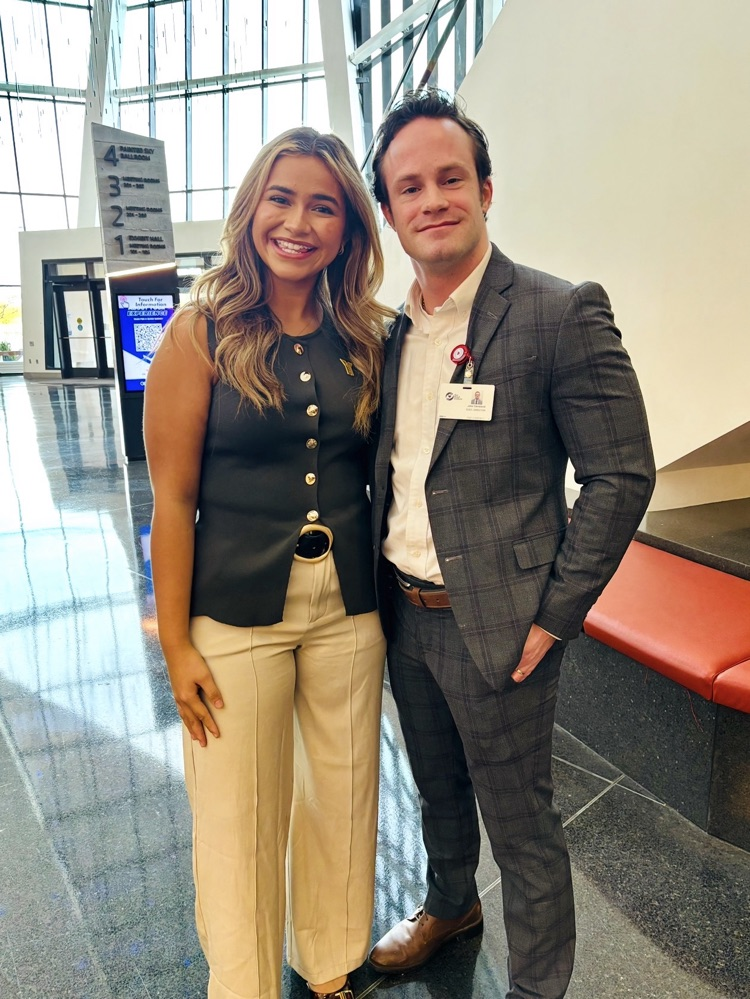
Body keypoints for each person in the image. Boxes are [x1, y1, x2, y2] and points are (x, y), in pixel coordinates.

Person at [367, 89, 656, 998]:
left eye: (451, 177)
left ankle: (537, 986)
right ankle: (450, 902)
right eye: (409, 187)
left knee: (523, 825)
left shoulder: (559, 311)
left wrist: (554, 615)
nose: (432, 199)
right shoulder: (386, 331)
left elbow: (621, 475)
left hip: (504, 626)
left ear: (487, 189)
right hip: (402, 611)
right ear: (388, 212)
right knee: (436, 786)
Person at [144, 127, 393, 999]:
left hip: (350, 606)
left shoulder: (367, 334)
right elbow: (171, 503)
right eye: (282, 199)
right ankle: (244, 983)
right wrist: (175, 645)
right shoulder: (200, 333)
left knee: (345, 793)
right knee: (238, 813)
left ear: (348, 229)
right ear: (252, 210)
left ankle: (328, 961)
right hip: (235, 607)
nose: (299, 221)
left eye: (324, 205)